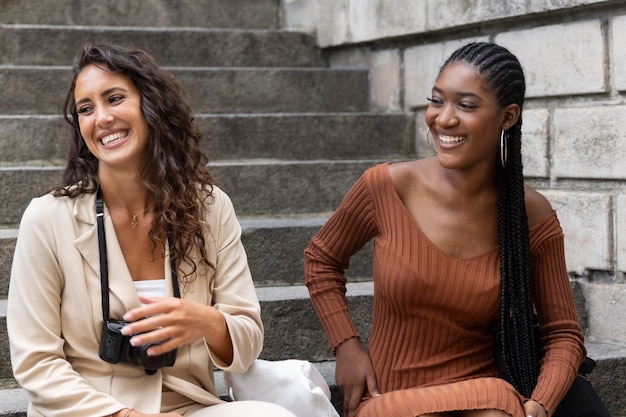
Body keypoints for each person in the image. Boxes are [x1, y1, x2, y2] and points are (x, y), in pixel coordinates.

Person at [7, 43, 296, 417]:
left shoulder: (211, 207)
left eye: (114, 98)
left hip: (188, 406)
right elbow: (36, 362)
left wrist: (205, 321)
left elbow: (246, 341)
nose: (102, 118)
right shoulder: (47, 218)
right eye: (86, 108)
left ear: (151, 105)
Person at [304, 42, 586, 417]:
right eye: (437, 101)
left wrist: (540, 404)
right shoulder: (386, 186)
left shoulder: (529, 213)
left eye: (466, 105)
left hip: (485, 397)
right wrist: (346, 345)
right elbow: (321, 259)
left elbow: (564, 333)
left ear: (508, 117)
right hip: (390, 399)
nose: (443, 118)